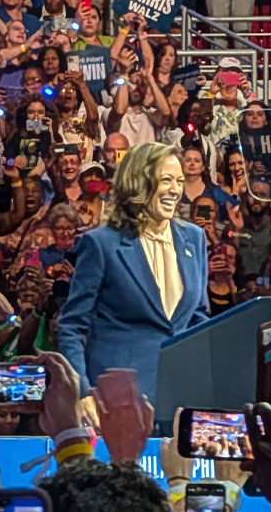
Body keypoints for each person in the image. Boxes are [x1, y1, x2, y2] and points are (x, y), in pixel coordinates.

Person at [58, 142, 209, 398]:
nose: (175, 190)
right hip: (118, 398)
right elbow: (72, 328)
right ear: (138, 182)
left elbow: (198, 318)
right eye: (166, 180)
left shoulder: (194, 238)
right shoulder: (102, 243)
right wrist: (83, 394)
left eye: (180, 181)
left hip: (180, 395)